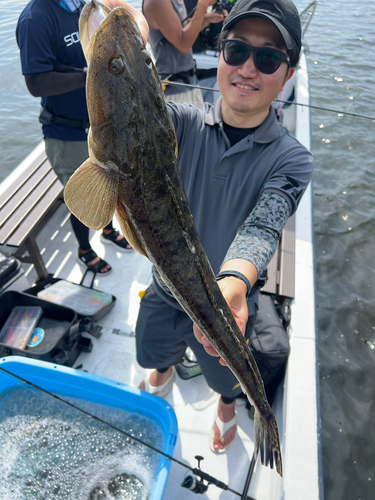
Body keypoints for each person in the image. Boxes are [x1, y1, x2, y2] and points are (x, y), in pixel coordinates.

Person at [109, 0, 314, 453]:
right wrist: (129, 39)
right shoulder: (178, 121)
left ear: (289, 72)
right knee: (150, 351)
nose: (247, 69)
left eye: (267, 58)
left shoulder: (291, 160)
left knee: (225, 375)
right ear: (219, 54)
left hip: (229, 308)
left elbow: (263, 227)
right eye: (237, 51)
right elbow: (126, 112)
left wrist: (235, 280)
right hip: (164, 291)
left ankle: (227, 405)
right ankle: (161, 371)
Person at [16, 0, 133, 277]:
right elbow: (36, 83)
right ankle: (84, 249)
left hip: (99, 126)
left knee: (111, 186)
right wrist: (90, 77)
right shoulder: (35, 18)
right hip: (66, 131)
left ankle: (106, 229)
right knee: (85, 195)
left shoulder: (82, 6)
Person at [143, 0, 226, 105]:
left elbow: (182, 30)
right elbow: (183, 44)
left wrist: (208, 19)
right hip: (174, 90)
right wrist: (202, 5)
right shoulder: (158, 2)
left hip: (189, 82)